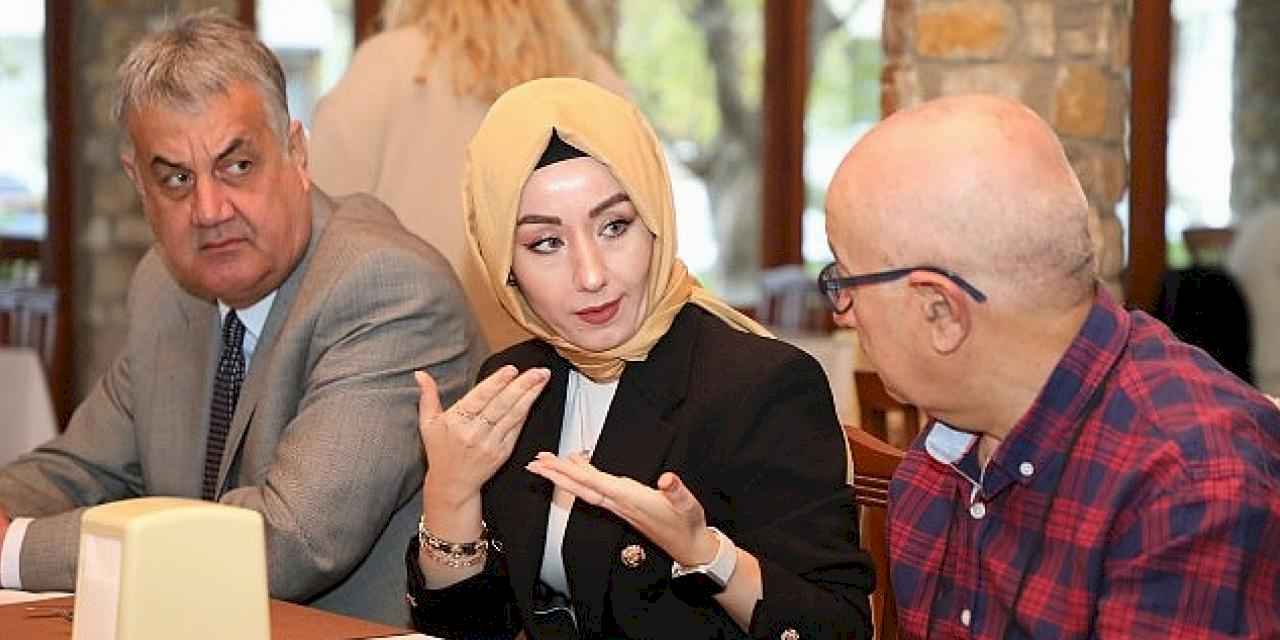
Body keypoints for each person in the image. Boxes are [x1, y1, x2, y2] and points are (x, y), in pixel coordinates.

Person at [0, 12, 484, 625]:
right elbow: (81, 469)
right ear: (139, 186)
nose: (209, 210)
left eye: (237, 166)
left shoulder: (388, 288)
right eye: (176, 179)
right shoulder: (165, 287)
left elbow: (289, 541)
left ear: (296, 154)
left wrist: (14, 549)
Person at [405, 77, 874, 639]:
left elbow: (837, 628)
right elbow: (470, 630)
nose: (591, 275)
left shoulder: (761, 385)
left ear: (655, 222)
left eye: (615, 226)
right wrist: (450, 494)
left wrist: (709, 555)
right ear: (504, 266)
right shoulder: (517, 385)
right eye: (546, 243)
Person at [822, 94, 1280, 638]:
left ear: (940, 311)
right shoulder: (940, 460)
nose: (842, 313)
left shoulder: (1191, 486)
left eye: (844, 281)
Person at [309, 0, 627, 354]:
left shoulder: (383, 68)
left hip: (402, 355)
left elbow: (317, 224)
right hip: (565, 362)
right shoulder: (594, 79)